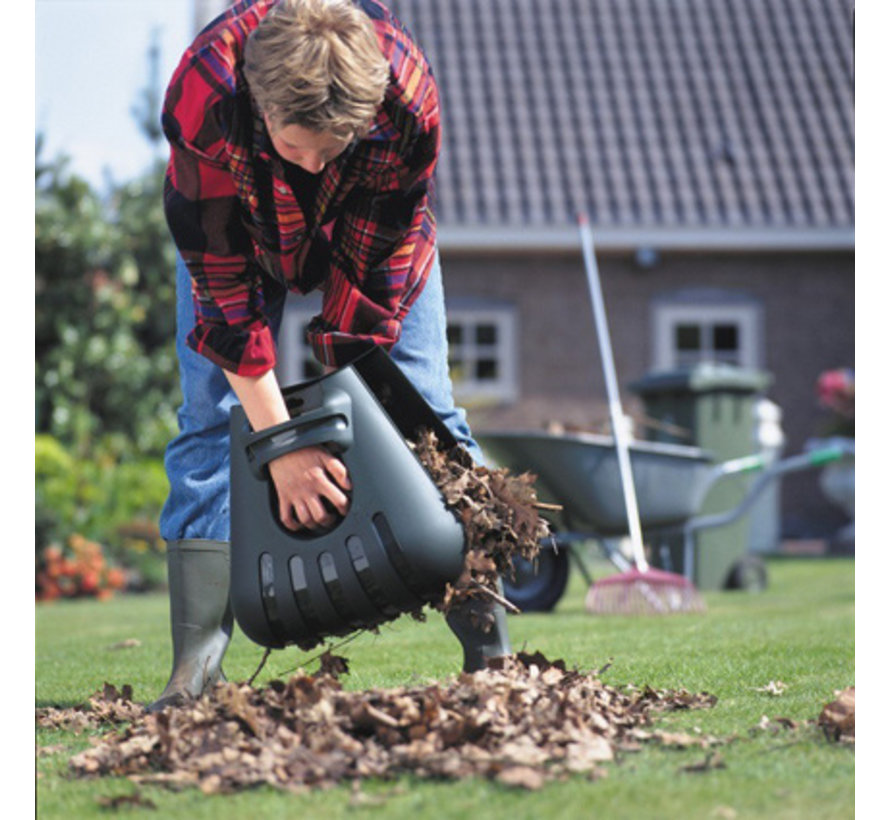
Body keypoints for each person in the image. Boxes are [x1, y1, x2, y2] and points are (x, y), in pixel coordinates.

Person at [150, 0, 510, 711]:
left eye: (332, 148)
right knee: (208, 420)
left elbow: (371, 289)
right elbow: (223, 291)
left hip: (364, 236)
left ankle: (490, 653)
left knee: (423, 407)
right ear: (260, 103)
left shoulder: (404, 100)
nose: (314, 164)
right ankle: (194, 672)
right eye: (298, 148)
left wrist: (348, 430)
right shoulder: (207, 92)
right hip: (240, 239)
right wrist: (282, 445)